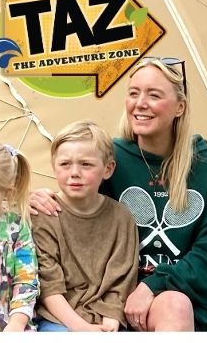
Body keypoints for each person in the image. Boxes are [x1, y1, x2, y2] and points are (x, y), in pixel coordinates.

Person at [29, 57, 207, 331]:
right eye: (134, 93)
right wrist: (41, 197)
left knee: (174, 305)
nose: (140, 103)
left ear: (179, 107)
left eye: (154, 95)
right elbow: (79, 202)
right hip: (112, 298)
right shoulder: (113, 157)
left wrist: (152, 285)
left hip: (180, 297)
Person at [31, 121, 138, 332]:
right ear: (54, 167)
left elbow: (122, 278)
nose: (74, 173)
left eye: (86, 164)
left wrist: (111, 319)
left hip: (107, 317)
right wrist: (81, 328)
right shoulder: (44, 215)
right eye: (65, 164)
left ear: (107, 169)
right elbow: (49, 285)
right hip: (59, 320)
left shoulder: (121, 218)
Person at [0, 142, 38, 332]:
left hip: (8, 324)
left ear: (6, 191)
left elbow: (26, 279)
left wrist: (17, 322)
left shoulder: (16, 228)